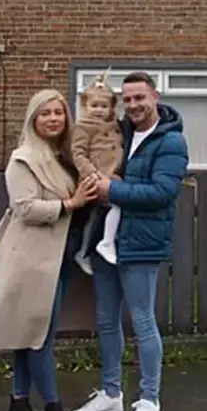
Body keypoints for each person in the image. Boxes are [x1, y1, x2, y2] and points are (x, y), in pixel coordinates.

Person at [69, 71, 189, 411]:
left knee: (142, 320)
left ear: (155, 96)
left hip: (141, 242)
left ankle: (150, 401)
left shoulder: (170, 141)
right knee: (106, 320)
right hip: (107, 243)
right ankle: (111, 394)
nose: (135, 105)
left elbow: (162, 192)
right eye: (129, 99)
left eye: (141, 97)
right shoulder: (118, 132)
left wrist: (111, 191)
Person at [0, 89, 99, 411]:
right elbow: (25, 208)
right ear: (33, 119)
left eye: (58, 113)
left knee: (28, 332)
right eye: (45, 113)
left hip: (60, 256)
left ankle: (18, 401)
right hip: (33, 259)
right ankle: (52, 407)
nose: (52, 119)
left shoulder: (63, 155)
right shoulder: (24, 158)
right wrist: (70, 204)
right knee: (39, 335)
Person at [70, 70, 124, 275]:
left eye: (104, 106)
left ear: (111, 108)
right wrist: (91, 174)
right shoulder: (83, 127)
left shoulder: (115, 126)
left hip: (111, 177)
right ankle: (101, 245)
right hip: (94, 178)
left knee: (99, 215)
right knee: (113, 206)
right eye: (94, 106)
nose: (99, 110)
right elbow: (78, 153)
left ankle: (90, 249)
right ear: (85, 106)